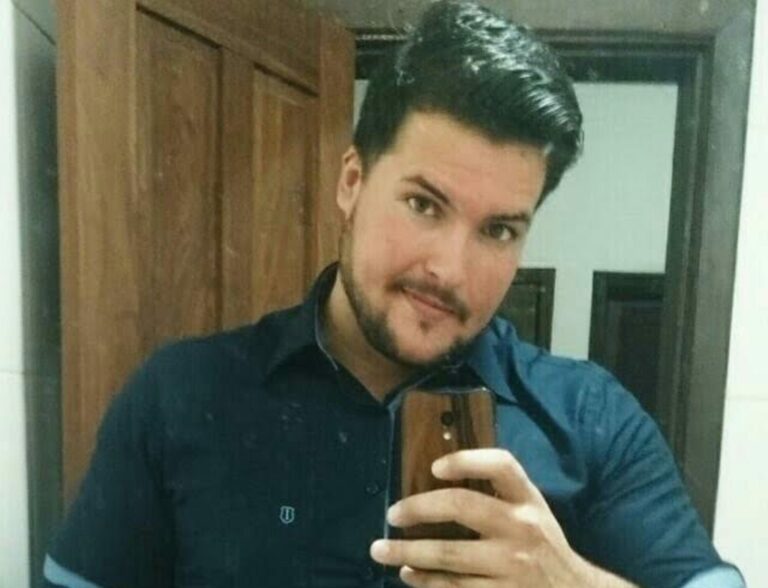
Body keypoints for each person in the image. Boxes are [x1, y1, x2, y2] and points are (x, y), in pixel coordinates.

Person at [43, 2, 745, 587]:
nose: (450, 269)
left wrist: (568, 582)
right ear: (352, 181)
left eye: (498, 229)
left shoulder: (590, 420)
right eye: (423, 204)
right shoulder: (180, 396)